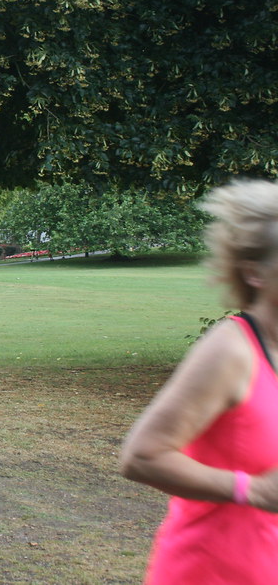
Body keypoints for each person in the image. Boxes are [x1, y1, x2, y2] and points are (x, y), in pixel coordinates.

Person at [120, 179, 278, 584]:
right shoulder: (232, 350)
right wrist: (254, 491)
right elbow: (142, 457)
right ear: (255, 272)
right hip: (211, 570)